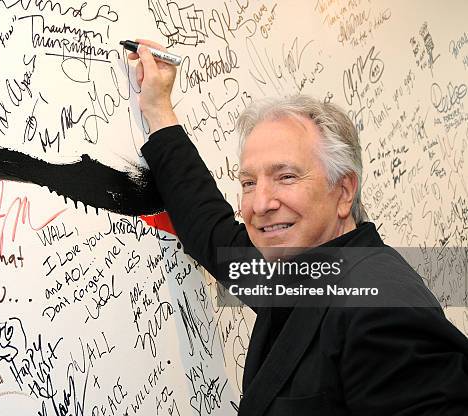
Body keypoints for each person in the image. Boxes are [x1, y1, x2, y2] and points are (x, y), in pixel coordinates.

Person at [128, 40, 468, 415]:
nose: (260, 204)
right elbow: (212, 232)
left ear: (343, 191)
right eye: (248, 183)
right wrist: (159, 111)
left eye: (286, 176)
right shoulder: (305, 270)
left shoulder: (381, 309)